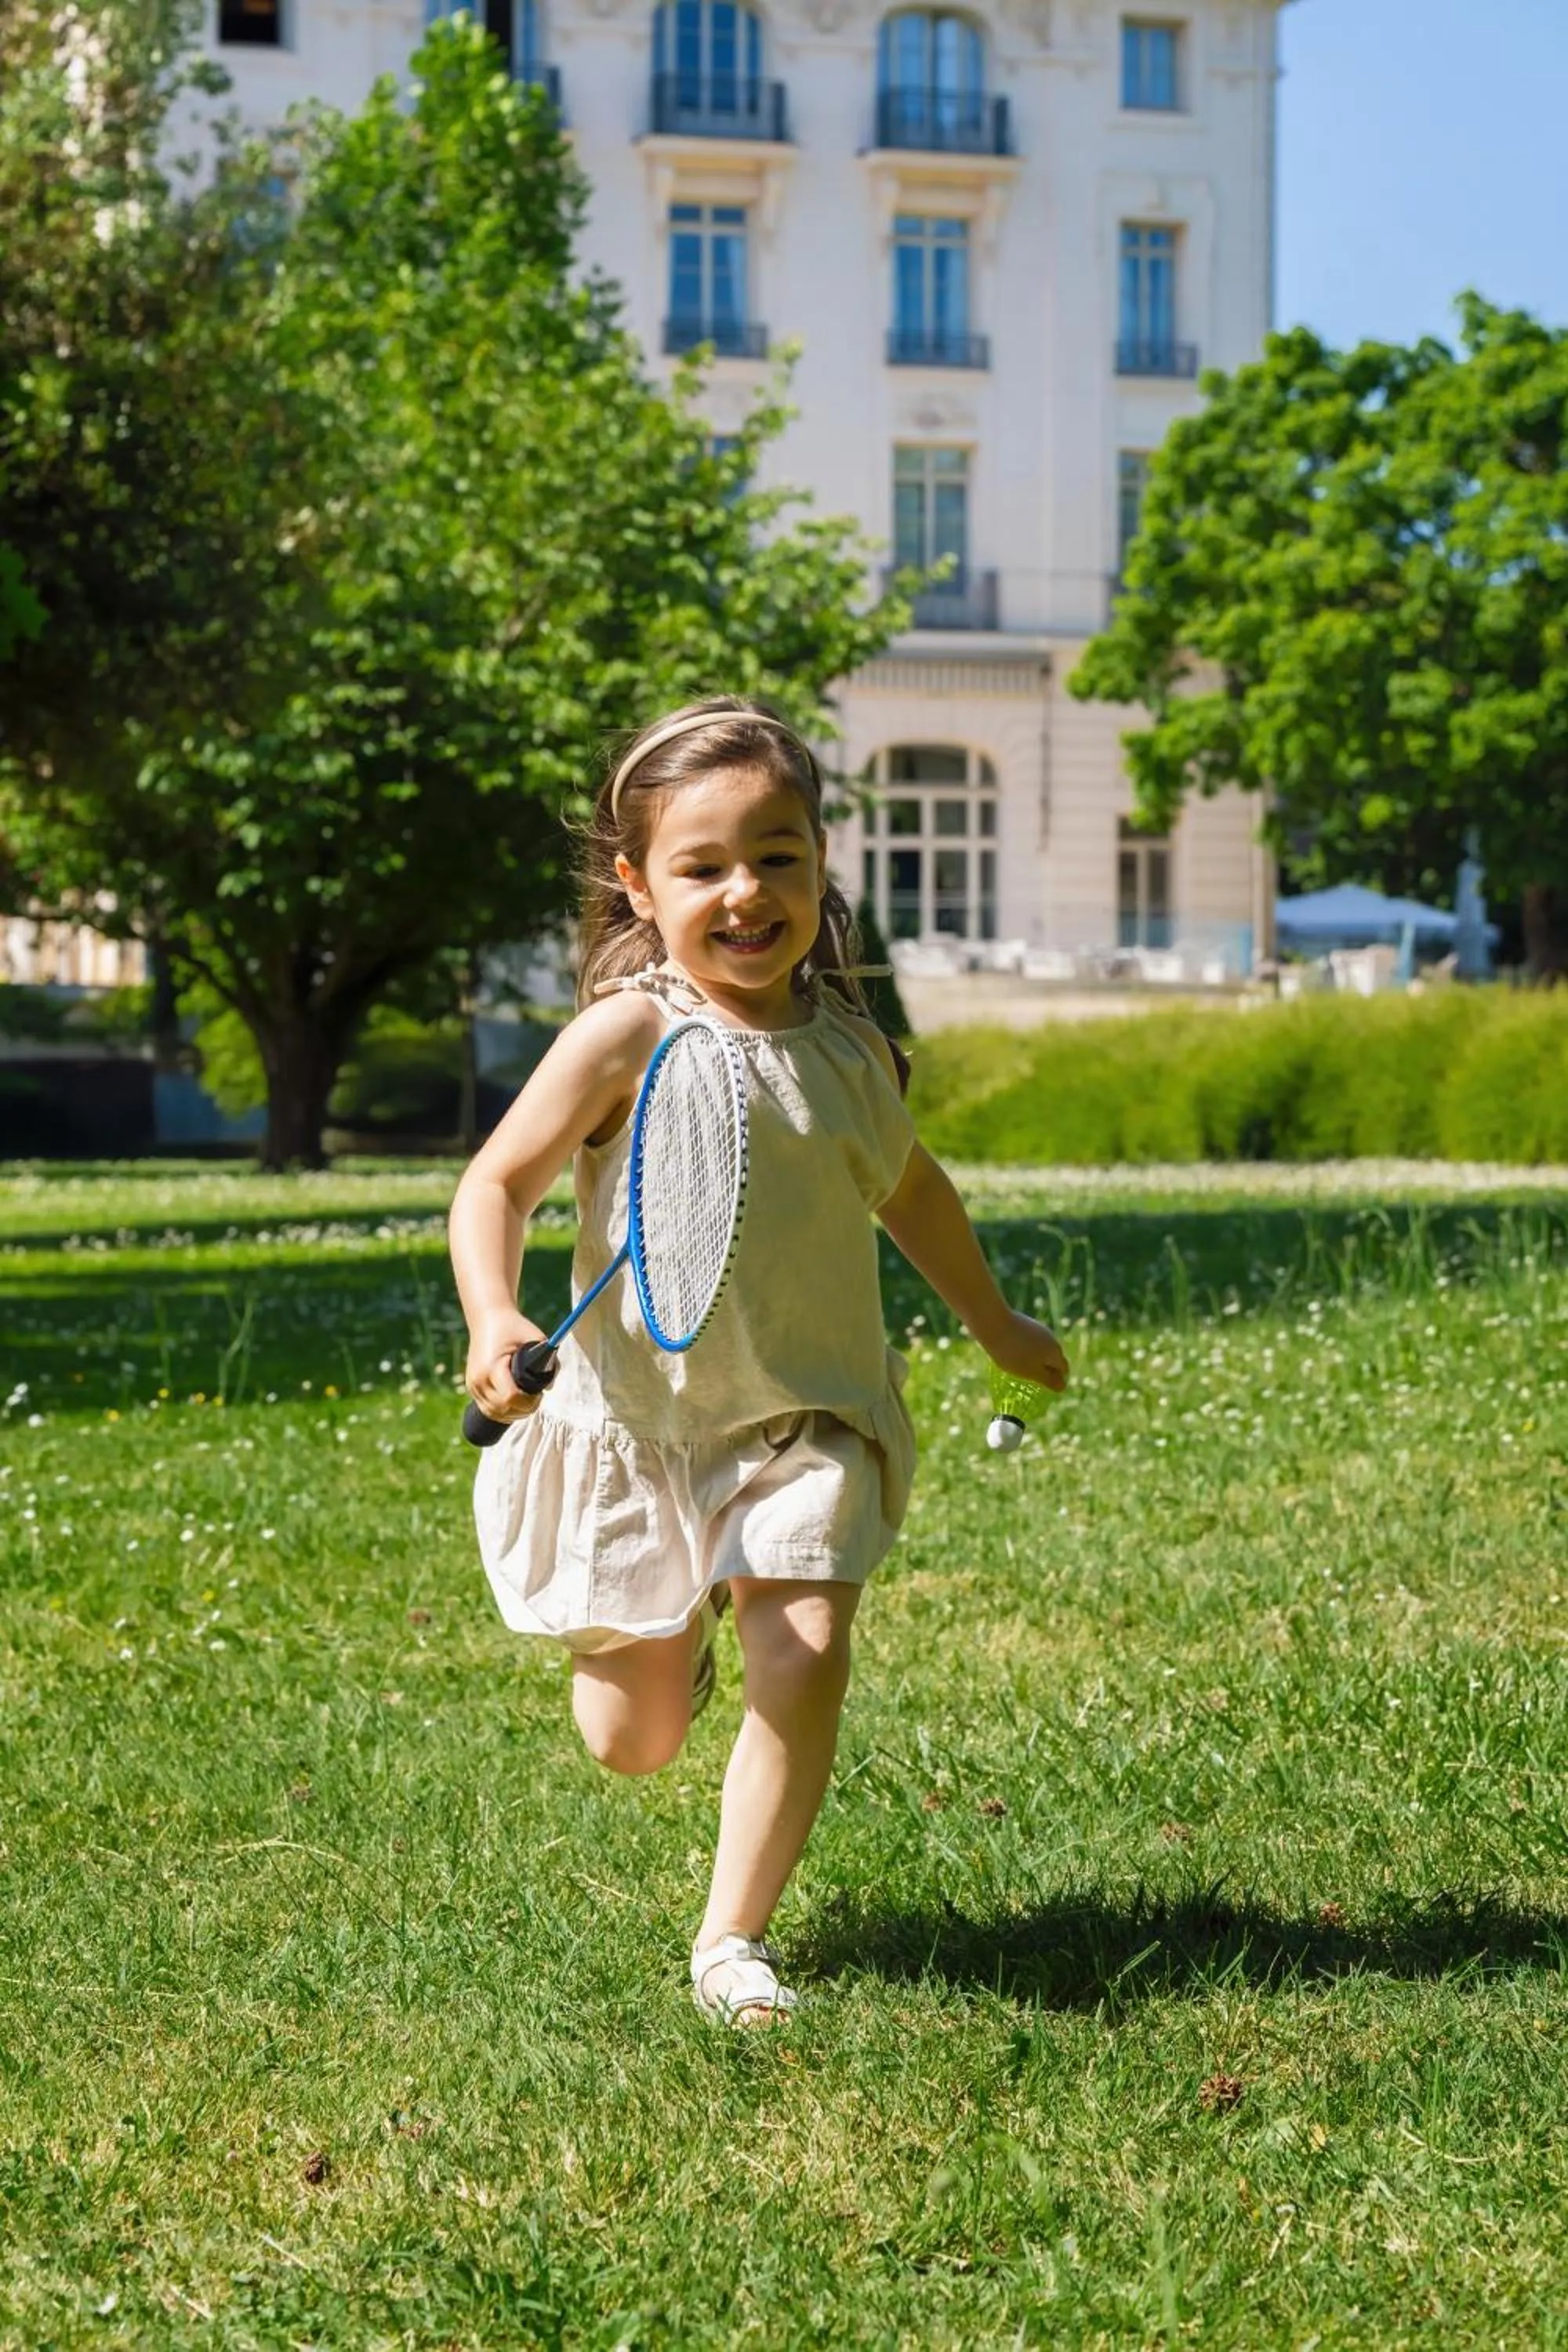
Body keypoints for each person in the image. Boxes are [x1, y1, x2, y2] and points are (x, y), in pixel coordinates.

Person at [448, 696, 1068, 2027]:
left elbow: (915, 1195)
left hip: (806, 1421)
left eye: (777, 856)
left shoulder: (849, 1054)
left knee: (807, 1640)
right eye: (704, 866)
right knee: (634, 1742)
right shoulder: (627, 1035)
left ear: (821, 860)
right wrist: (494, 1318)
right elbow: (496, 1183)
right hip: (641, 1431)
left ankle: (731, 1942)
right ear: (639, 884)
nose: (746, 892)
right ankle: (680, 1622)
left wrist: (997, 1324)